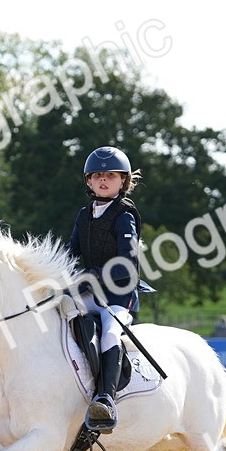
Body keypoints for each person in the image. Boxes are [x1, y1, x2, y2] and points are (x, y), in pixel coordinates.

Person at [66, 145, 145, 433]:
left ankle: (105, 398)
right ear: (88, 181)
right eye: (97, 175)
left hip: (118, 295)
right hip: (88, 293)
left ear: (123, 181)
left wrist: (91, 275)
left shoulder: (125, 215)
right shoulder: (83, 214)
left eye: (111, 175)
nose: (103, 180)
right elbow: (71, 254)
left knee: (110, 332)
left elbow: (127, 263)